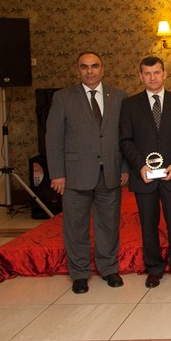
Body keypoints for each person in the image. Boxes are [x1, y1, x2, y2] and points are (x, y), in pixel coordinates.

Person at [46, 52, 128, 294]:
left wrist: (124, 167)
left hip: (110, 172)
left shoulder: (119, 96)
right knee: (76, 227)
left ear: (102, 69)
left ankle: (108, 268)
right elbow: (53, 137)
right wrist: (57, 173)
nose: (89, 71)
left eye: (94, 66)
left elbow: (125, 137)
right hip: (75, 175)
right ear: (78, 70)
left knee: (109, 225)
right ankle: (80, 273)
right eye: (84, 67)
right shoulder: (63, 98)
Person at [120, 56, 171, 289]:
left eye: (157, 72)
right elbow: (126, 140)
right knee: (148, 224)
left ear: (165, 74)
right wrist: (139, 166)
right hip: (144, 176)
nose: (153, 77)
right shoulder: (130, 105)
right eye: (147, 73)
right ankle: (154, 268)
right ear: (140, 76)